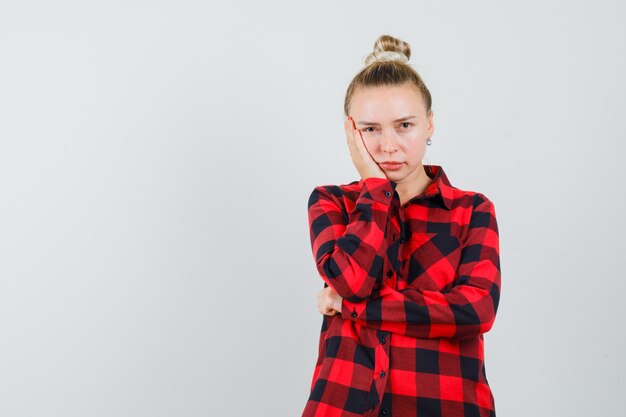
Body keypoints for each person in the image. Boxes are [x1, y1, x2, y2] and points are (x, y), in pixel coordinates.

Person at [301, 35, 501, 417]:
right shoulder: (331, 202)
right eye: (370, 129)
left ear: (429, 124)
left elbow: (475, 311)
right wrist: (375, 189)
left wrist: (352, 308)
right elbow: (352, 280)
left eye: (404, 125)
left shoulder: (473, 210)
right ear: (350, 132)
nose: (388, 146)